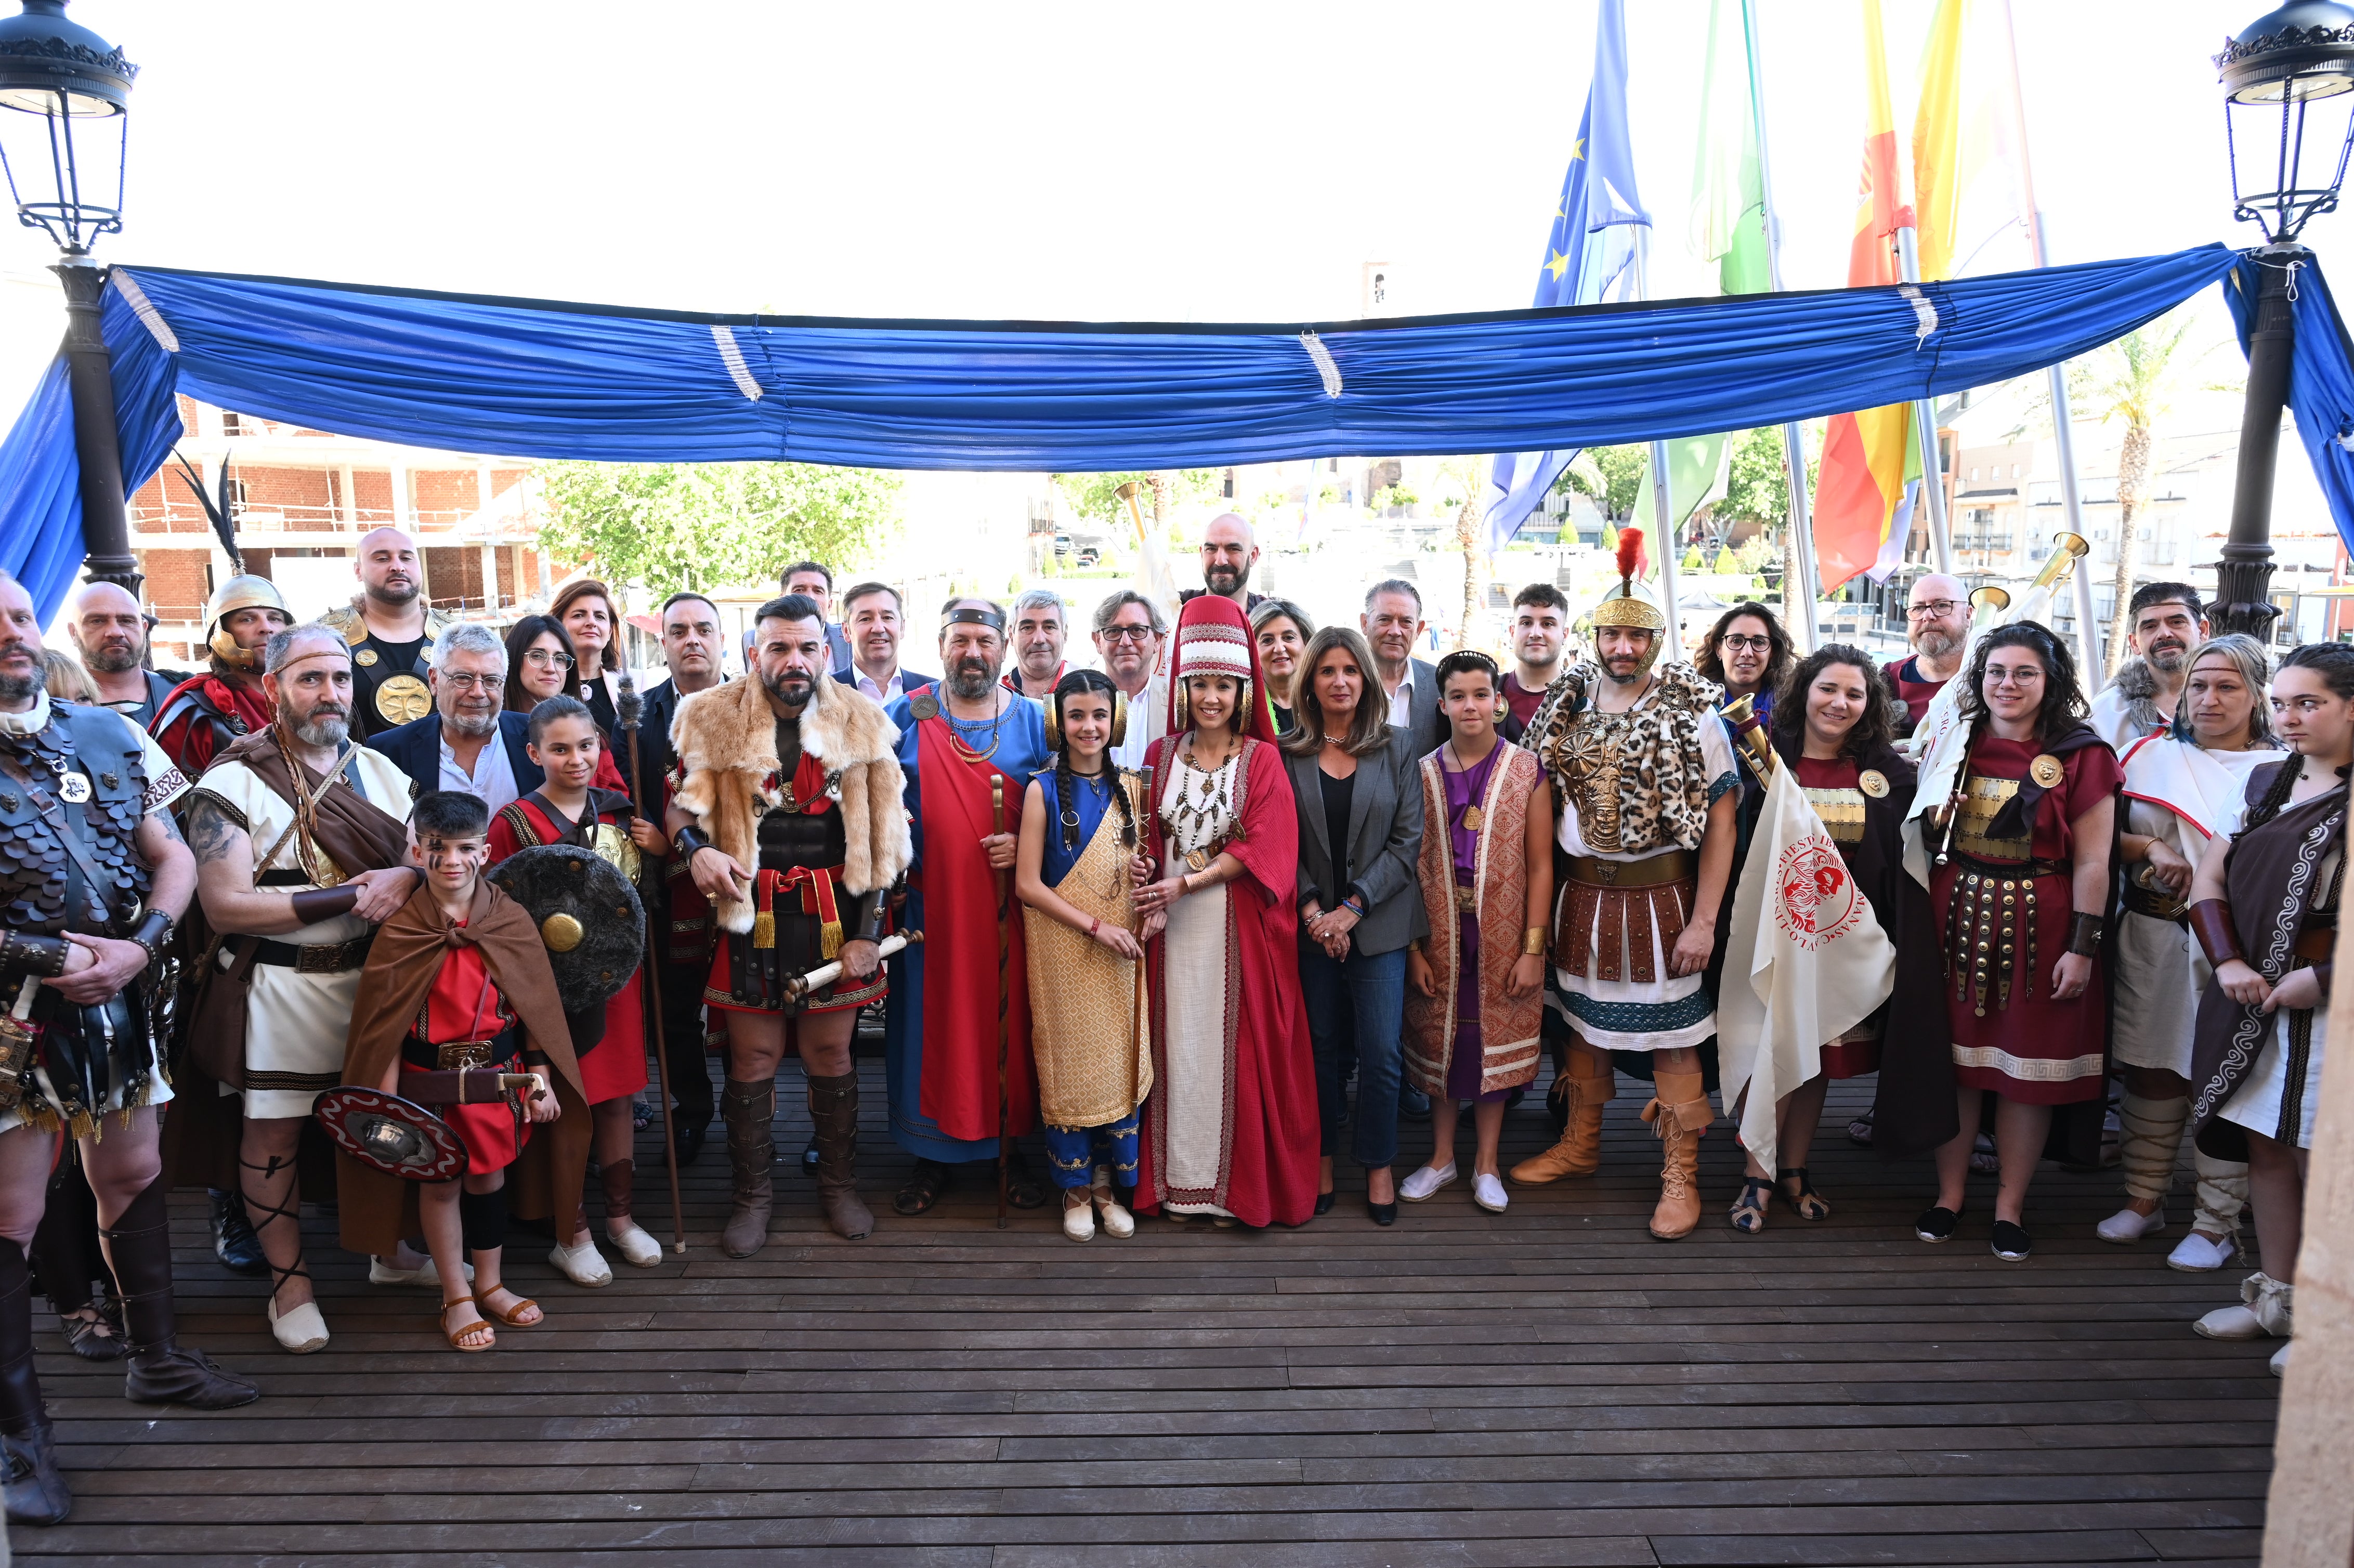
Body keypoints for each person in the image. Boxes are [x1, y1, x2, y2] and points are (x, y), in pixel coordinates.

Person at [0, 570, 255, 1526]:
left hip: (118, 1001)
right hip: (9, 1020)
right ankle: (20, 1439)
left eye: (20, 617)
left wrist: (141, 945)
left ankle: (158, 1361)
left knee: (134, 1171)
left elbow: (174, 853)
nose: (13, 635)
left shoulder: (110, 732)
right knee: (12, 1212)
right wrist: (52, 956)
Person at [177, 624, 425, 1355]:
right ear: (273, 688)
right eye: (310, 679)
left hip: (373, 986)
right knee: (275, 1135)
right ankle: (290, 1284)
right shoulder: (231, 782)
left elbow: (422, 863)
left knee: (380, 1121)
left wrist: (408, 874)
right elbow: (225, 905)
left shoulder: (381, 772)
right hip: (279, 989)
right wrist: (353, 895)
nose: (330, 693)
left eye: (340, 678)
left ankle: (388, 1250)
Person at [1509, 530, 1739, 1240]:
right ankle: (1580, 1146)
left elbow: (1723, 820)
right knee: (1581, 1027)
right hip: (1579, 895)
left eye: (1636, 637)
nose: (1623, 648)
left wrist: (1704, 921)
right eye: (1612, 635)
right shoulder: (1565, 705)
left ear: (1655, 642)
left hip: (1661, 900)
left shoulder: (1694, 712)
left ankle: (1681, 1175)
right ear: (1596, 637)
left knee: (1673, 1038)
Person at [670, 594, 909, 1254]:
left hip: (836, 917)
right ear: (756, 653)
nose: (793, 659)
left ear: (826, 652)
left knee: (831, 1055)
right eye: (778, 647)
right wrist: (696, 851)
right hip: (750, 917)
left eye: (806, 647)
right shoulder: (712, 717)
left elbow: (883, 838)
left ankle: (838, 1187)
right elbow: (680, 809)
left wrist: (867, 935)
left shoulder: (863, 721)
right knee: (753, 1058)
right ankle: (752, 1196)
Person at [338, 790, 585, 1354]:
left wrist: (541, 1077)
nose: (452, 860)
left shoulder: (509, 918)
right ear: (417, 851)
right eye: (437, 847)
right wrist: (386, 1102)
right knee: (441, 1184)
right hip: (425, 1087)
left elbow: (533, 1009)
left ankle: (490, 1284)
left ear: (486, 850)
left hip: (497, 1081)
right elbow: (385, 1026)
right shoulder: (402, 929)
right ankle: (456, 1297)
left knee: (488, 1179)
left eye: (465, 848)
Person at [1723, 646, 1946, 1233]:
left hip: (1845, 939)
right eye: (1828, 689)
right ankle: (1757, 1172)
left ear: (1870, 704)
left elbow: (1904, 855)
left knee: (1817, 1056)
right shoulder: (1761, 756)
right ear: (1804, 691)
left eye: (1854, 693)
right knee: (1772, 1051)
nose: (1839, 703)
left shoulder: (1886, 772)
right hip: (1775, 935)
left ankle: (1793, 1166)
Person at [1915, 623, 2120, 1262]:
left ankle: (2009, 1205)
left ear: (2049, 680)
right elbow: (1920, 828)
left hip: (2045, 924)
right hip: (1955, 913)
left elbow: (2094, 860)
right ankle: (1950, 1195)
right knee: (1956, 1065)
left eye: (2024, 673)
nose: (2007, 684)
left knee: (2024, 1071)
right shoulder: (1955, 740)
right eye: (1996, 672)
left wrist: (2082, 946)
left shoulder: (2083, 753)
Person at [2185, 642, 2354, 1376]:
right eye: (2281, 703)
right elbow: (2209, 877)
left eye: (2308, 703)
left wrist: (2325, 977)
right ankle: (2277, 1302)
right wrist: (2227, 960)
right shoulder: (2263, 780)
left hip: (2334, 1010)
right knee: (2268, 1146)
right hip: (2255, 997)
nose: (2288, 717)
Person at [1131, 594, 1318, 1227]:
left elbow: (1269, 847)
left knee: (1228, 1051)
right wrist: (1145, 869)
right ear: (1182, 687)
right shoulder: (1158, 755)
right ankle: (1178, 1184)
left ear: (1243, 690)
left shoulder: (1261, 758)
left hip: (1235, 931)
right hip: (1168, 932)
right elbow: (1145, 838)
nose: (1211, 697)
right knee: (1177, 1048)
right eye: (1200, 684)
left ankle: (1229, 1191)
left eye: (1223, 685)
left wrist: (1187, 884)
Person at [2100, 635, 2277, 1266]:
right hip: (2153, 935)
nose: (2208, 698)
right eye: (2199, 685)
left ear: (2256, 695)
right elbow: (2096, 835)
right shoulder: (2144, 755)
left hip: (2239, 949)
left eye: (2227, 686)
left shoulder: (2284, 770)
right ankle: (2144, 1198)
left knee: (2224, 1075)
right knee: (2151, 1068)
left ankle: (2215, 1223)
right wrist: (2149, 848)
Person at [490, 697, 669, 1280]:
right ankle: (572, 1232)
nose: (576, 759)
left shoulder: (620, 815)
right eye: (560, 748)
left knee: (617, 1098)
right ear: (534, 752)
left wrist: (660, 850)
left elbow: (642, 896)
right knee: (567, 1103)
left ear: (600, 746)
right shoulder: (514, 822)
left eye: (586, 745)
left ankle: (620, 1219)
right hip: (549, 994)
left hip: (619, 984)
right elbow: (497, 910)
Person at [882, 598, 1050, 1215]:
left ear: (1003, 648)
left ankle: (1012, 1147)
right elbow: (873, 802)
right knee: (933, 1029)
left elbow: (1064, 807)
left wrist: (1026, 841)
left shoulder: (1035, 720)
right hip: (931, 913)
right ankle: (931, 1154)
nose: (972, 652)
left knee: (1011, 1026)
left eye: (984, 640)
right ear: (940, 646)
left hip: (1013, 909)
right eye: (960, 640)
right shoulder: (905, 714)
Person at [1283, 626, 1425, 1224]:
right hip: (1308, 927)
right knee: (1317, 1049)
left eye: (1349, 670)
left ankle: (1377, 1162)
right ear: (1309, 683)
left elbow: (1406, 841)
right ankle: (1320, 1159)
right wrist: (1315, 911)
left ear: (1366, 679)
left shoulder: (1398, 746)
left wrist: (1353, 908)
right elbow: (1278, 843)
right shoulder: (1284, 752)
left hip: (1379, 924)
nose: (1339, 681)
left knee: (1382, 1051)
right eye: (1327, 671)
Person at [1401, 652, 1551, 1215]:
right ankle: (1442, 1157)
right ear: (1441, 705)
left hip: (1505, 934)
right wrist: (1413, 948)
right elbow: (1408, 866)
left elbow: (1541, 865)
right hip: (1438, 931)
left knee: (1490, 1046)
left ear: (1499, 701)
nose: (1471, 706)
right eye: (1459, 696)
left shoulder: (1527, 769)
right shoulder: (1420, 773)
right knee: (1446, 1045)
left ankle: (1487, 1163)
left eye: (1481, 695)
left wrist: (1533, 949)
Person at [1013, 670, 1150, 1243]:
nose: (1088, 726)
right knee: (1069, 1066)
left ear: (1115, 720)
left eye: (1099, 715)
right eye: (1076, 715)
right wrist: (1095, 927)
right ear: (1057, 722)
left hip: (1122, 947)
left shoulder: (1134, 786)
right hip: (1064, 946)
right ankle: (1073, 1187)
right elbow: (1027, 885)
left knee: (1117, 1064)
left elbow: (1138, 866)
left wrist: (1143, 875)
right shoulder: (1040, 790)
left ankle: (1104, 1184)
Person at [615, 591, 727, 1166]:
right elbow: (620, 793)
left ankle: (748, 1114)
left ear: (722, 638)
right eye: (679, 631)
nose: (692, 640)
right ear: (663, 643)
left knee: (745, 1008)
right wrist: (658, 845)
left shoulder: (757, 705)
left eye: (703, 629)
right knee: (676, 1012)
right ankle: (692, 1113)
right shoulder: (636, 716)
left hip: (746, 885)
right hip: (668, 885)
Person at [368, 623, 543, 812]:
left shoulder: (541, 736)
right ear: (434, 680)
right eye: (463, 678)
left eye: (491, 680)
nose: (478, 692)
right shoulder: (388, 753)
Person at [319, 527, 452, 740]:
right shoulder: (324, 638)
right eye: (382, 559)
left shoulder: (458, 636)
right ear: (358, 571)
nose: (398, 566)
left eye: (406, 558)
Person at [152, 575, 292, 777]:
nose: (266, 628)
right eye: (247, 619)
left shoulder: (315, 694)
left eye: (275, 618)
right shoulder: (197, 712)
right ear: (220, 632)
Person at [501, 613, 629, 792]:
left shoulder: (590, 735)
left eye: (560, 659)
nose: (551, 668)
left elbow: (616, 801)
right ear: (513, 659)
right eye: (537, 656)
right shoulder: (493, 734)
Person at [2091, 583, 2208, 753]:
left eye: (2177, 622)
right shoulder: (2106, 713)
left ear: (2203, 631)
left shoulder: (2233, 702)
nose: (2164, 634)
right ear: (2134, 643)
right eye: (2150, 627)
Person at [66, 582, 178, 730]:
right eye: (97, 621)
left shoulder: (185, 696)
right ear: (74, 633)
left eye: (126, 621)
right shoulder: (49, 705)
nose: (115, 632)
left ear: (144, 629)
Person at [1361, 579, 1444, 757]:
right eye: (1385, 620)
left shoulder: (1440, 684)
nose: (1395, 631)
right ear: (1365, 623)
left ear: (1419, 629)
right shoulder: (1343, 683)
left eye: (1406, 622)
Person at [1886, 572, 1969, 737]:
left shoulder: (1994, 679)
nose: (1928, 616)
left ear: (1968, 615)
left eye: (1942, 605)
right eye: (1918, 608)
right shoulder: (1887, 681)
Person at [1094, 590, 1168, 771]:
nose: (1125, 642)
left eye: (1137, 630)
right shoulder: (1078, 704)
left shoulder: (1178, 703)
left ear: (1157, 640)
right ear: (1098, 641)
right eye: (1114, 631)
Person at [834, 581, 938, 706]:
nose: (879, 629)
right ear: (846, 631)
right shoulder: (824, 693)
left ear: (902, 627)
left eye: (888, 618)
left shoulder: (934, 694)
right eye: (865, 619)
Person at [550, 579, 631, 738]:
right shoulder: (546, 682)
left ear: (609, 632)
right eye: (579, 615)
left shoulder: (636, 685)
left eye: (600, 617)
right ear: (559, 625)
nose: (592, 622)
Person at [1695, 602, 1793, 728]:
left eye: (1759, 642)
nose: (1747, 653)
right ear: (1719, 650)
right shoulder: (1693, 709)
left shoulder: (1792, 710)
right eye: (1736, 641)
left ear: (1772, 652)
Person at [1501, 584, 1570, 742]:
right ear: (1512, 632)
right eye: (1526, 623)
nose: (1535, 634)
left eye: (1548, 624)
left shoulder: (1585, 698)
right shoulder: (1487, 694)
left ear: (1564, 635)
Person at [1250, 598, 1314, 735]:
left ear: (1306, 643)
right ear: (1252, 649)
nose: (1279, 649)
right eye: (1267, 640)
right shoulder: (1245, 706)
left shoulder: (1322, 699)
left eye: (1288, 638)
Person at [1180, 513, 1267, 612]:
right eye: (1211, 549)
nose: (1220, 561)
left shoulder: (1273, 616)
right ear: (1202, 554)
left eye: (1233, 549)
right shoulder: (1175, 609)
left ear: (1253, 556)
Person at [784, 561, 854, 670]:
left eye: (818, 591)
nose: (810, 598)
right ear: (782, 599)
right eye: (799, 590)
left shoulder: (853, 638)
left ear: (829, 605)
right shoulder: (757, 640)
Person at [1004, 589, 1069, 700]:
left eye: (1049, 627)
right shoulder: (995, 689)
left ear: (1065, 634)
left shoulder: (1088, 686)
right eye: (1028, 628)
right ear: (1011, 635)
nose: (1039, 640)